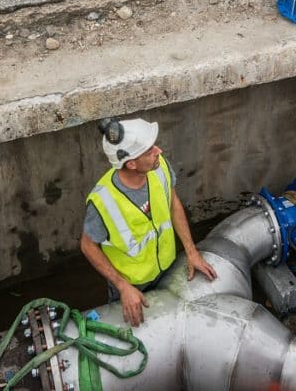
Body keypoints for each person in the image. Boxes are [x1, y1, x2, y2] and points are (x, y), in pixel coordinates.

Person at [80, 117, 217, 327]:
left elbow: (173, 204)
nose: (158, 151)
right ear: (132, 163)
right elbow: (88, 246)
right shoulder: (102, 201)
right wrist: (123, 287)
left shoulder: (158, 167)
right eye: (149, 150)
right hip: (133, 284)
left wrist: (191, 251)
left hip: (166, 268)